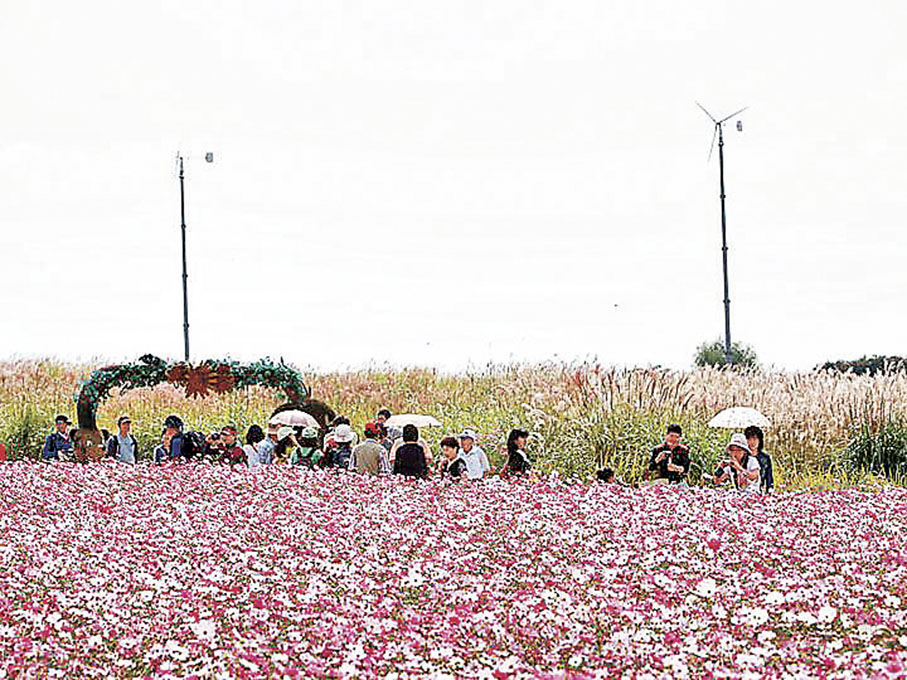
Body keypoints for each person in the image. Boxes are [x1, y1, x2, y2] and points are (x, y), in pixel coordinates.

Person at [744, 425, 774, 494]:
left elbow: (769, 479)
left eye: (754, 439)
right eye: (749, 439)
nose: (752, 442)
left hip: (760, 493)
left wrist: (769, 492)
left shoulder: (765, 458)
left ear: (759, 440)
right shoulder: (743, 457)